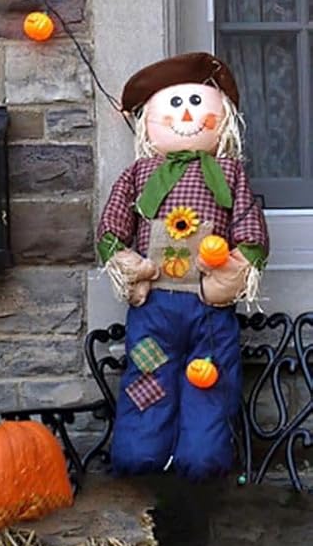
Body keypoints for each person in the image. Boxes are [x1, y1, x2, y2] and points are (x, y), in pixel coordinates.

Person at [96, 51, 269, 481]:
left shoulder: (229, 173)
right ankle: (141, 454)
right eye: (174, 104)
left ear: (223, 118)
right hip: (153, 310)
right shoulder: (139, 175)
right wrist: (127, 266)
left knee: (208, 381)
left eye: (196, 102)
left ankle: (202, 459)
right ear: (150, 121)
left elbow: (251, 232)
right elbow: (112, 229)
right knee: (148, 379)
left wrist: (231, 274)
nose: (187, 114)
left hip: (209, 310)